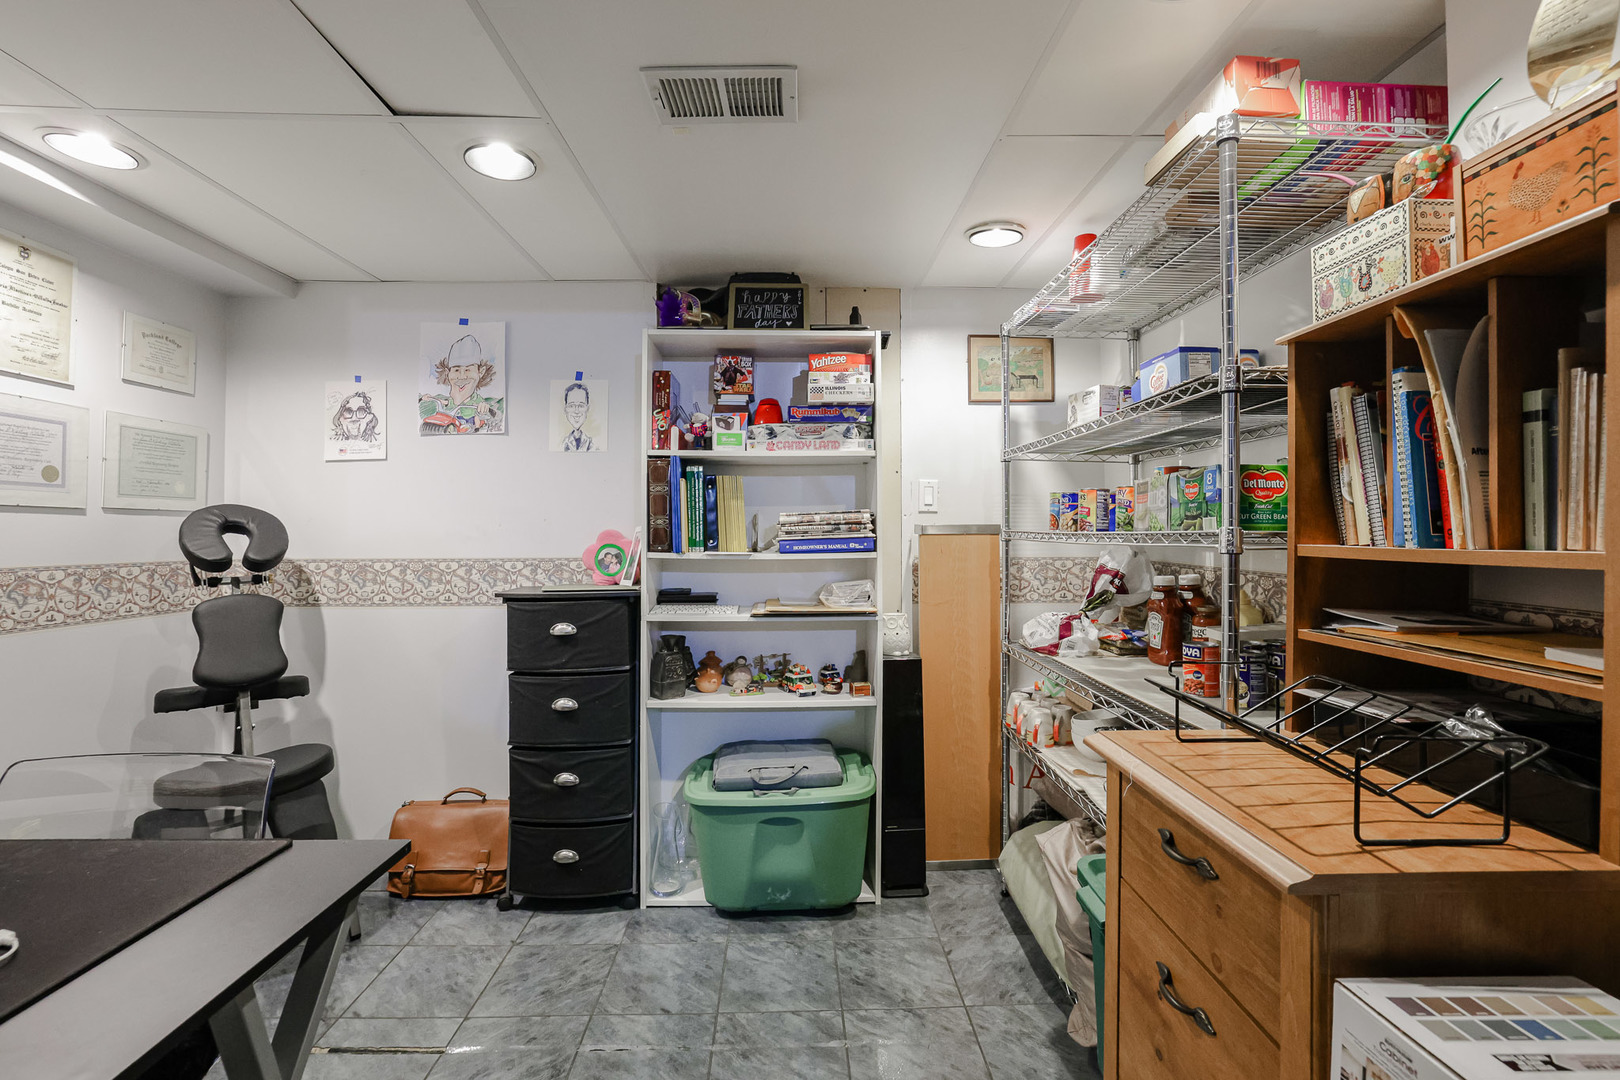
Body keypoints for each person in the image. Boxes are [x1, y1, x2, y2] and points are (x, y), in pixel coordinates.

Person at [420, 334, 504, 434]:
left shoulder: (477, 401)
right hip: (452, 419)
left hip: (469, 422)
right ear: (448, 373)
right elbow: (444, 402)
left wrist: (483, 408)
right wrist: (430, 398)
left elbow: (483, 407)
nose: (462, 376)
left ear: (480, 372)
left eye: (468, 370)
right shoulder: (450, 401)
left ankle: (477, 428)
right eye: (456, 370)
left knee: (475, 420)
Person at [559, 381, 595, 451]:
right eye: (571, 405)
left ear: (587, 408)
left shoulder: (593, 444)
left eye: (581, 406)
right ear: (565, 409)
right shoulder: (561, 443)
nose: (576, 411)